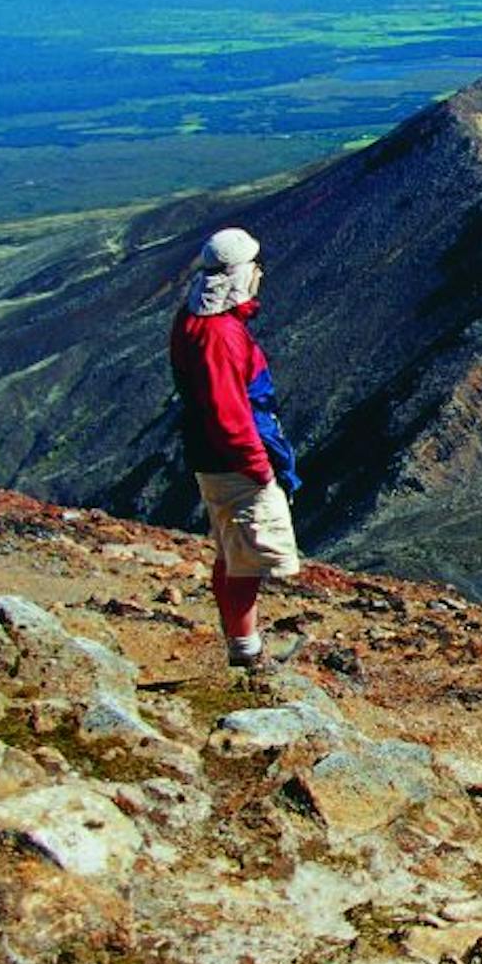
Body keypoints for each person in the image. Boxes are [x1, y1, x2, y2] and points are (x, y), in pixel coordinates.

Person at [168, 226, 303, 670]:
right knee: (246, 558)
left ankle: (242, 646)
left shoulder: (191, 321)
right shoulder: (221, 335)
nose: (260, 274)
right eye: (254, 268)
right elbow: (231, 412)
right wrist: (260, 468)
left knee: (231, 552)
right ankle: (248, 656)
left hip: (210, 454)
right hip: (235, 460)